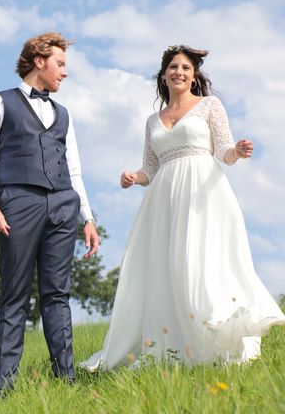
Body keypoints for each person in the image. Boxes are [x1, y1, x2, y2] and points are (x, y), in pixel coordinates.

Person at [80, 45, 285, 371]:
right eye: (173, 67)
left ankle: (214, 338)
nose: (179, 72)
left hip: (204, 193)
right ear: (163, 75)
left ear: (194, 75)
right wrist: (135, 176)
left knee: (200, 262)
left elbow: (224, 151)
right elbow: (150, 167)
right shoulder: (152, 120)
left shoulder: (209, 106)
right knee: (169, 268)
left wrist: (239, 151)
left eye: (186, 68)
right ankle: (172, 345)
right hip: (163, 200)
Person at [0, 32, 99, 394]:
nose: (65, 73)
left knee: (57, 294)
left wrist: (87, 218)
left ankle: (66, 381)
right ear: (39, 61)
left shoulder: (64, 114)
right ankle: (5, 389)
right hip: (18, 203)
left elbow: (74, 169)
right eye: (61, 64)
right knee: (14, 295)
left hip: (63, 204)